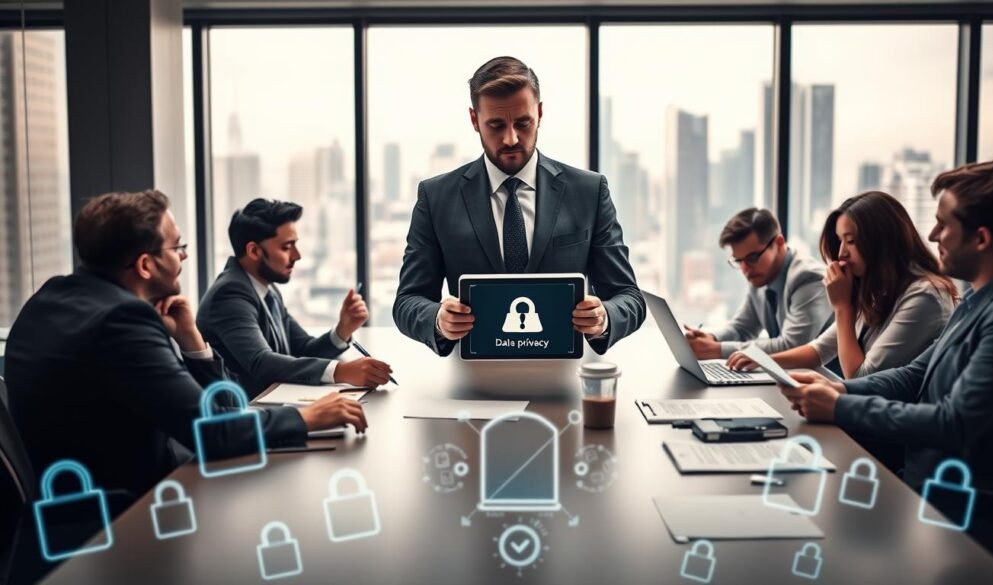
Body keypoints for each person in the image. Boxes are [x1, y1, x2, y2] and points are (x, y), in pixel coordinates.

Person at [4, 191, 368, 497]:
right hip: (128, 510)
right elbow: (213, 431)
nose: (184, 256)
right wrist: (305, 416)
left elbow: (222, 406)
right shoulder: (122, 322)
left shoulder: (53, 297)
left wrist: (192, 340)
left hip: (78, 495)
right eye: (177, 246)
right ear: (145, 265)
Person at [779, 161, 993, 574]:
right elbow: (914, 375)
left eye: (943, 225)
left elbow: (954, 422)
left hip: (967, 518)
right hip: (924, 490)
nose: (932, 235)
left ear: (981, 238)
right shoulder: (977, 298)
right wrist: (840, 391)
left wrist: (838, 407)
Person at [392, 56, 645, 356]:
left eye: (523, 123)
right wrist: (437, 319)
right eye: (496, 125)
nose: (511, 138)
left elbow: (629, 296)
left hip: (564, 374)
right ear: (474, 120)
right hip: (472, 374)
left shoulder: (588, 192)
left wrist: (604, 317)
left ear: (540, 113)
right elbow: (407, 301)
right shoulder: (436, 198)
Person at [726, 191, 958, 379]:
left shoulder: (924, 298)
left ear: (882, 242)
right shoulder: (878, 290)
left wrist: (842, 307)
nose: (841, 254)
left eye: (851, 241)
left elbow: (861, 377)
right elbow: (818, 350)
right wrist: (762, 361)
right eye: (840, 241)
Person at [197, 198, 392, 398]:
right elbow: (261, 362)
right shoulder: (229, 294)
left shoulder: (266, 288)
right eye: (286, 247)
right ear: (254, 251)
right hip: (249, 412)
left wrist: (342, 330)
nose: (297, 255)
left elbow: (303, 349)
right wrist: (340, 371)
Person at [686, 208, 832, 359]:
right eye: (738, 261)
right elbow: (741, 328)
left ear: (779, 243)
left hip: (821, 373)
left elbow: (792, 346)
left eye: (753, 258)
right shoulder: (760, 275)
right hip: (789, 372)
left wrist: (717, 350)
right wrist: (710, 339)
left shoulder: (809, 278)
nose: (745, 269)